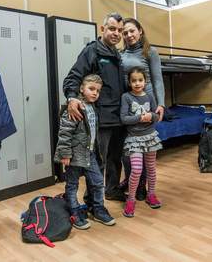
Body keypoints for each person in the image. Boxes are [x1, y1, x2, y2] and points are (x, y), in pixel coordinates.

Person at [63, 12, 126, 202]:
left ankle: (112, 189)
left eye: (120, 31)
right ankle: (92, 200)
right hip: (101, 117)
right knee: (98, 161)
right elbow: (73, 77)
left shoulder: (117, 54)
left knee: (115, 157)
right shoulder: (92, 51)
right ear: (103, 29)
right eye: (113, 28)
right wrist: (71, 97)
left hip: (118, 116)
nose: (116, 33)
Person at [54, 74, 116, 229]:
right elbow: (65, 132)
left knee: (97, 181)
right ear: (81, 88)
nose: (95, 93)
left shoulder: (93, 107)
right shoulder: (75, 107)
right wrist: (65, 154)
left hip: (90, 153)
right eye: (91, 89)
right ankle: (74, 210)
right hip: (74, 155)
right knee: (72, 184)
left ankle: (98, 208)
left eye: (98, 90)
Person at [119, 17, 165, 200]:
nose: (128, 35)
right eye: (125, 32)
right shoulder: (121, 54)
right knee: (128, 150)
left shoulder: (150, 52)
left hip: (146, 105)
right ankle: (132, 182)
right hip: (128, 104)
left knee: (145, 147)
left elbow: (157, 79)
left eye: (132, 31)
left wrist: (160, 104)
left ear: (140, 31)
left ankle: (141, 188)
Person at [120, 67, 163, 217]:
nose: (137, 83)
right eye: (134, 81)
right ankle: (131, 199)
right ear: (129, 82)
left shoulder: (150, 96)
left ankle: (151, 194)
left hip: (150, 137)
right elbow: (124, 118)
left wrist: (151, 116)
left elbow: (157, 117)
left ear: (145, 81)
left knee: (151, 168)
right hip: (134, 140)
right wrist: (140, 118)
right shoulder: (126, 97)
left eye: (140, 80)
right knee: (137, 169)